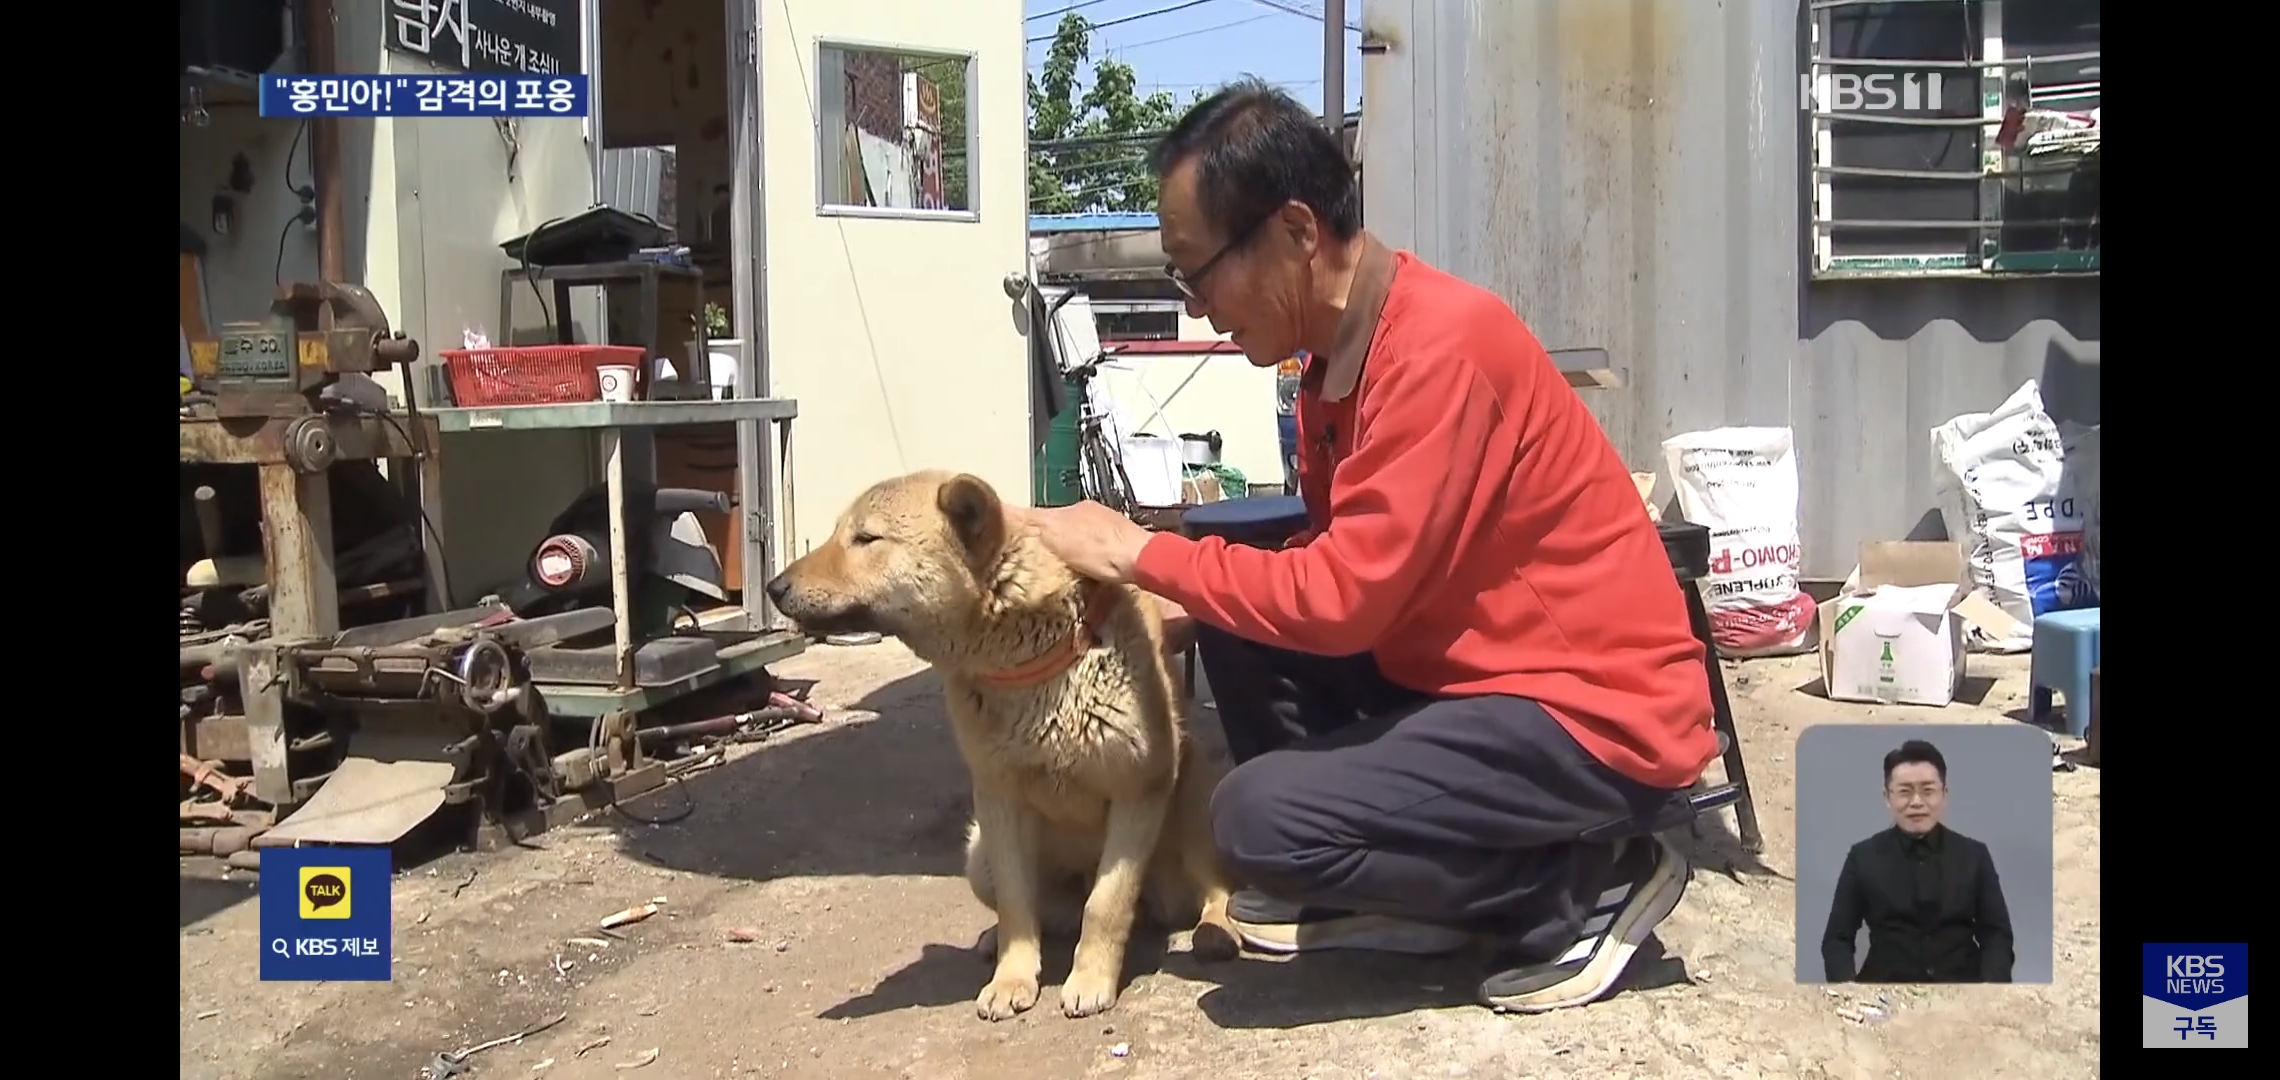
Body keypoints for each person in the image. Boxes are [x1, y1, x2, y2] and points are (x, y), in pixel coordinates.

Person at [1015, 79, 1719, 1013]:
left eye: (1199, 271)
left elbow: (1347, 598)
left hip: (1588, 717)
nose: (1195, 306)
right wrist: (1177, 600)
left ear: (1297, 232)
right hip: (1478, 682)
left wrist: (1141, 553)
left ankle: (1577, 890)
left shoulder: (1438, 351)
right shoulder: (1334, 365)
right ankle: (1392, 879)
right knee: (1235, 612)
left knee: (1252, 821)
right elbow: (1337, 560)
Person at [1819, 740, 2015, 983]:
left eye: (1928, 790)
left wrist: (1990, 990)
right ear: (1887, 797)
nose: (1916, 802)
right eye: (1904, 791)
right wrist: (1848, 990)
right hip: (1885, 990)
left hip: (1963, 989)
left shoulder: (1974, 855)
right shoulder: (1862, 857)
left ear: (1944, 794)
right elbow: (1837, 939)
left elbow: (1997, 935)